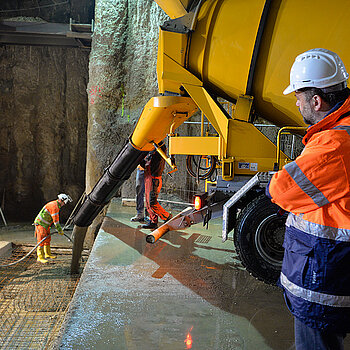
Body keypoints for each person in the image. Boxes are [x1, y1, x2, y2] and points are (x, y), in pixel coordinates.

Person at [267, 48, 350, 350]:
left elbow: (281, 189)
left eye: (298, 97)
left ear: (316, 101)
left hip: (325, 275)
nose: (297, 103)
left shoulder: (335, 144)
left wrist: (273, 182)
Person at [140, 141, 172, 229]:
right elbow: (145, 164)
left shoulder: (159, 150)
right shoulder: (152, 151)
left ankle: (167, 217)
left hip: (154, 179)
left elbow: (150, 162)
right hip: (149, 177)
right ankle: (153, 221)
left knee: (152, 202)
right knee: (147, 201)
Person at [34, 193, 72, 263]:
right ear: (61, 200)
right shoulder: (54, 206)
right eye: (64, 203)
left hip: (46, 225)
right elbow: (56, 221)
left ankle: (47, 254)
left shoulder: (56, 205)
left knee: (47, 239)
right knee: (41, 240)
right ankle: (40, 257)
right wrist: (59, 230)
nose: (64, 204)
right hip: (40, 224)